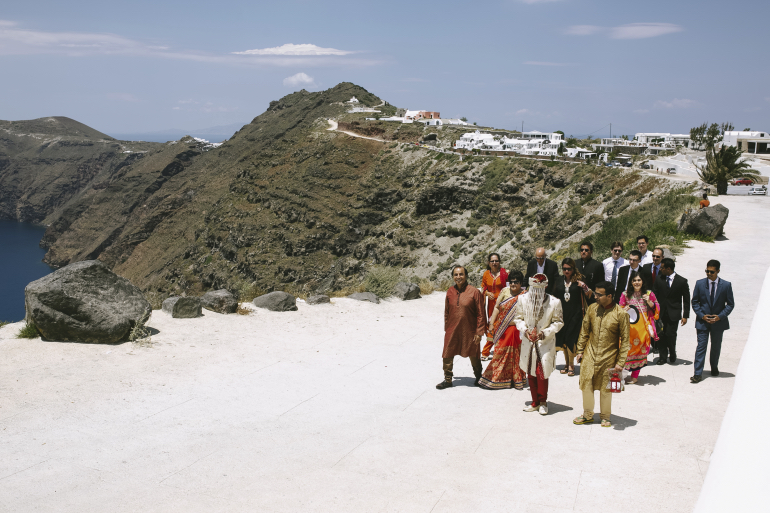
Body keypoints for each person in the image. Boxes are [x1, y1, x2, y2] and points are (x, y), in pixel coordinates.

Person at [573, 281, 630, 428]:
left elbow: (625, 340)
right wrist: (580, 350)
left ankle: (605, 416)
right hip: (590, 354)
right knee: (586, 383)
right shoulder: (592, 309)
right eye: (596, 293)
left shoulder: (621, 314)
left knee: (606, 388)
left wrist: (620, 362)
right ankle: (587, 415)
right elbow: (585, 331)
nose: (596, 296)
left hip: (609, 357)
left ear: (609, 296)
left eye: (599, 294)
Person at [514, 274, 564, 415]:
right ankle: (534, 401)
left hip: (545, 343)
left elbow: (559, 322)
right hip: (528, 341)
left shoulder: (554, 302)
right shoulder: (522, 299)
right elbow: (518, 318)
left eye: (539, 290)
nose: (536, 294)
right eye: (533, 289)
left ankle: (543, 402)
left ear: (544, 288)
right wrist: (525, 330)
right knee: (530, 371)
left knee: (541, 373)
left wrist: (545, 332)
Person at [438, 266, 486, 389]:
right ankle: (447, 379)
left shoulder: (474, 292)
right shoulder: (450, 291)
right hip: (452, 329)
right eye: (456, 275)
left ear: (466, 275)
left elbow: (481, 313)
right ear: (453, 276)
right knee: (447, 352)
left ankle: (478, 377)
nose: (458, 277)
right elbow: (446, 312)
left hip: (469, 330)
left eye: (461, 274)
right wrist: (447, 328)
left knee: (474, 353)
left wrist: (479, 332)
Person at [479, 270, 526, 390]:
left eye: (516, 282)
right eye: (511, 282)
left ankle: (515, 379)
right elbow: (496, 308)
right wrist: (491, 324)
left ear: (521, 283)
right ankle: (494, 379)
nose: (513, 284)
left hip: (517, 330)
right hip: (502, 329)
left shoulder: (525, 295)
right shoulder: (505, 291)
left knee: (515, 356)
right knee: (499, 354)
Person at [690, 260, 735, 383]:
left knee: (715, 347)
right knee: (701, 347)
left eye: (712, 272)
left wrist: (720, 316)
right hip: (703, 322)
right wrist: (701, 315)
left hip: (718, 322)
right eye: (707, 271)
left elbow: (730, 304)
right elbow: (694, 302)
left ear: (718, 271)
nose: (709, 274)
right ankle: (697, 373)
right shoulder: (699, 284)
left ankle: (714, 367)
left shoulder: (726, 285)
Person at [619, 271, 660, 384]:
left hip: (642, 327)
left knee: (640, 350)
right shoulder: (625, 294)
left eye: (639, 280)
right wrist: (624, 309)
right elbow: (618, 310)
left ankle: (635, 375)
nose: (637, 282)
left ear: (642, 282)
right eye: (634, 280)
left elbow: (657, 307)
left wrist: (649, 302)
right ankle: (622, 373)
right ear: (631, 282)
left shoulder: (649, 293)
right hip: (628, 327)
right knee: (625, 350)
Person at [553, 258, 591, 377]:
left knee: (571, 337)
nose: (566, 271)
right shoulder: (559, 280)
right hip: (562, 313)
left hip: (575, 313)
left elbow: (590, 294)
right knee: (564, 338)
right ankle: (566, 363)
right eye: (564, 269)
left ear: (573, 269)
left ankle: (571, 365)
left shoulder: (579, 280)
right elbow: (554, 295)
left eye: (569, 269)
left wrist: (584, 286)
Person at [652, 258, 690, 365]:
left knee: (671, 334)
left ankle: (672, 353)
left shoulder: (682, 281)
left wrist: (685, 315)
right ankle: (662, 357)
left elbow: (686, 300)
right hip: (661, 313)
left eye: (662, 268)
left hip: (674, 313)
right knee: (661, 334)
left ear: (668, 269)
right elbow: (653, 296)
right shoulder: (659, 279)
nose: (660, 269)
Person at [480, 253, 508, 360]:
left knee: (502, 325)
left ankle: (487, 351)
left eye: (496, 261)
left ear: (499, 262)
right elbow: (483, 288)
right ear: (489, 263)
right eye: (492, 261)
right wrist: (487, 293)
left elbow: (509, 287)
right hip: (491, 305)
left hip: (503, 304)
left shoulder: (505, 273)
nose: (494, 263)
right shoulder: (486, 274)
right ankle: (487, 351)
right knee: (491, 325)